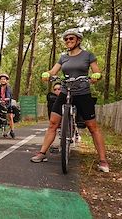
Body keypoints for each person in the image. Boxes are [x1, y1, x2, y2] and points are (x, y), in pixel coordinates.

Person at [30, 28, 109, 173]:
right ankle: (42, 153)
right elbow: (54, 71)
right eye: (66, 39)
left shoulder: (87, 55)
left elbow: (97, 72)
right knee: (53, 123)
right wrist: (47, 74)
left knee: (92, 127)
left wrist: (96, 75)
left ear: (78, 40)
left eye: (71, 39)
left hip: (82, 92)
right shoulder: (63, 57)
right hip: (66, 91)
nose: (68, 41)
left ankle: (103, 160)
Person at [0, 73, 15, 138]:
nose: (3, 80)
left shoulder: (8, 87)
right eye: (1, 79)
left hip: (7, 104)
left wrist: (5, 99)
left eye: (4, 79)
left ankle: (12, 130)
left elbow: (9, 96)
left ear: (7, 80)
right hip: (0, 103)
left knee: (10, 116)